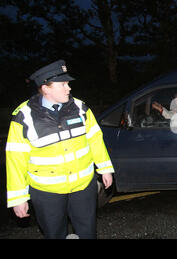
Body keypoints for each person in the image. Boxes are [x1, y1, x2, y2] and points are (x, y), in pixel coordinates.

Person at [5, 60, 114, 239]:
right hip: (47, 192)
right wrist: (18, 198)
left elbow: (95, 139)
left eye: (68, 83)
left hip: (83, 186)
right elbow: (15, 159)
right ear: (46, 88)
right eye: (62, 84)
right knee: (54, 234)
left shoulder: (80, 108)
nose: (68, 88)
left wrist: (105, 169)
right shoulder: (24, 116)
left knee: (88, 233)